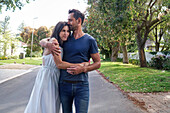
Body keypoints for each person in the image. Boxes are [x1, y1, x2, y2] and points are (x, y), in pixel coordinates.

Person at [24, 22, 88, 113]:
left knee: (49, 104)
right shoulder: (54, 42)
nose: (66, 33)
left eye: (67, 31)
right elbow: (59, 64)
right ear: (58, 31)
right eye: (63, 31)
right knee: (46, 104)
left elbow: (42, 41)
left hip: (53, 76)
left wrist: (44, 43)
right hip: (48, 77)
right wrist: (81, 65)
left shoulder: (58, 42)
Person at [54, 9, 101, 113]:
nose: (68, 23)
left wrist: (83, 68)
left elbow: (98, 63)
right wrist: (45, 43)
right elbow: (49, 40)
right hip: (64, 84)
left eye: (70, 20)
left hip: (82, 86)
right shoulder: (64, 38)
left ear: (79, 21)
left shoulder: (90, 40)